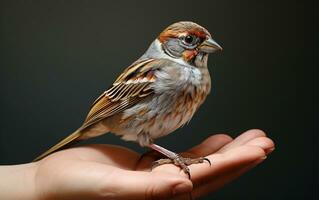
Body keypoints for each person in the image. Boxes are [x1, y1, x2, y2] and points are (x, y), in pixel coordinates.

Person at [0, 129, 274, 200]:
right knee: (146, 140)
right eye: (190, 41)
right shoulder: (162, 70)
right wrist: (37, 182)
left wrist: (35, 180)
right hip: (120, 116)